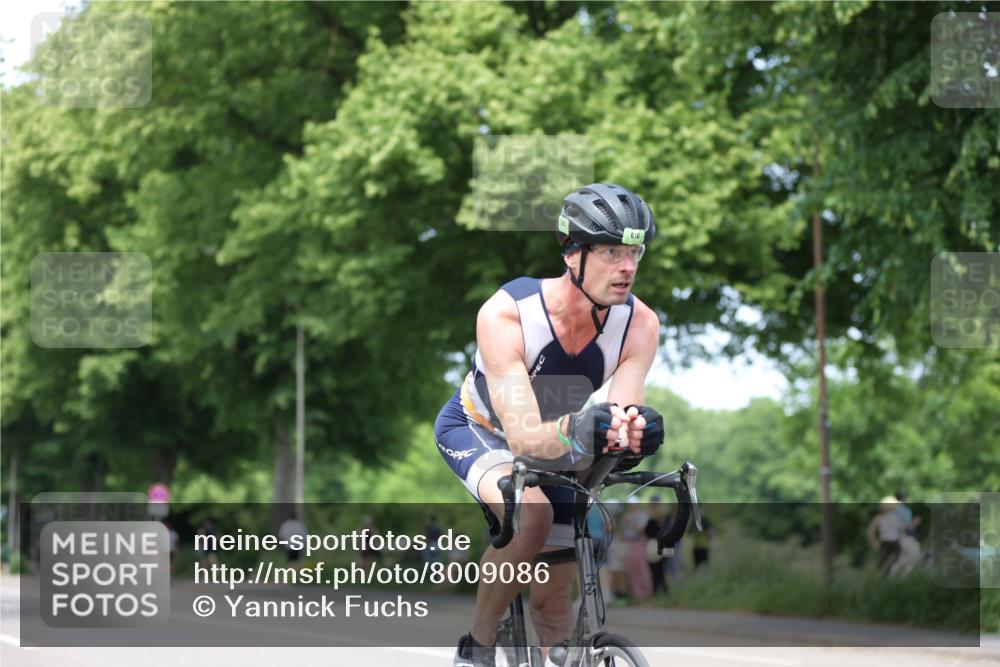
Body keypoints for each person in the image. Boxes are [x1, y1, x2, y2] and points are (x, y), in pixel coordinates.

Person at [434, 183, 665, 667]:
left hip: (559, 440)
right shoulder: (507, 313)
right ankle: (477, 647)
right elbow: (523, 437)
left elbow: (619, 421)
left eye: (634, 252)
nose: (627, 266)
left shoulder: (640, 324)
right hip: (482, 429)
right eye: (611, 252)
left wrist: (635, 436)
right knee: (532, 517)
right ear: (572, 253)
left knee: (556, 605)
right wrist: (580, 428)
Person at [867, 496, 904, 576]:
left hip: (889, 544)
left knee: (886, 569)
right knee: (887, 569)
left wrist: (875, 544)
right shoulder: (891, 517)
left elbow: (870, 532)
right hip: (890, 544)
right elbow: (870, 532)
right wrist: (875, 544)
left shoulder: (884, 517)